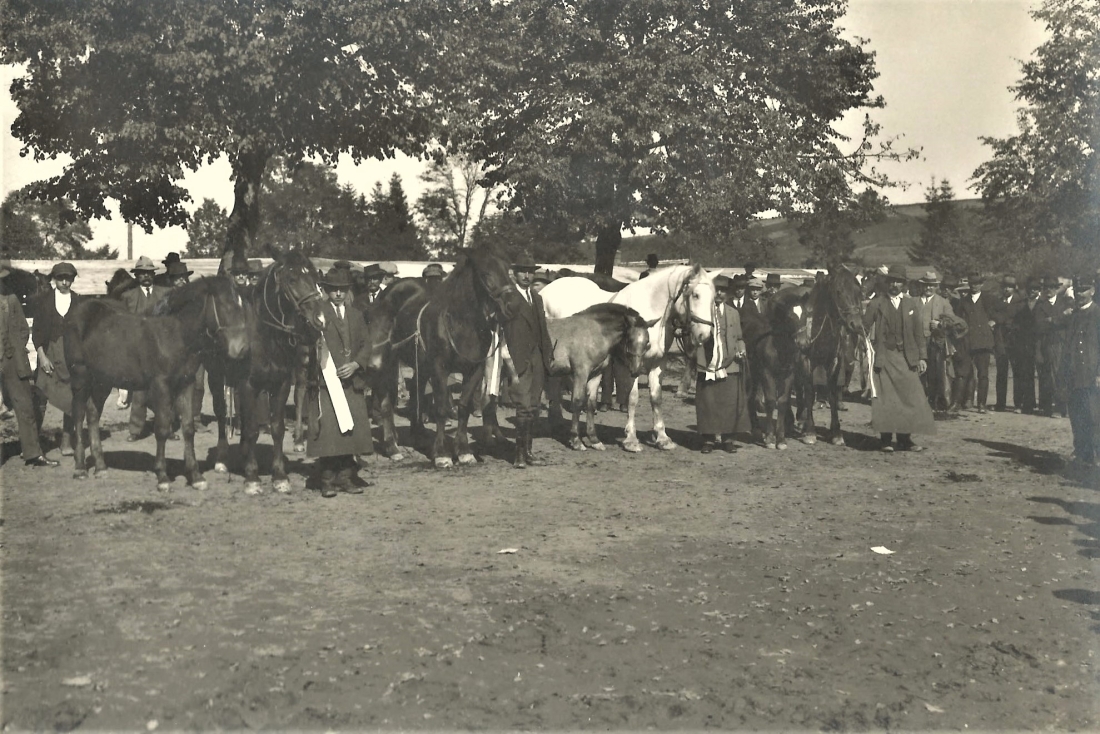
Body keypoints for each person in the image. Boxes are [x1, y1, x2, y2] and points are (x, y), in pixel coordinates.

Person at [307, 266, 375, 497]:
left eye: (342, 290)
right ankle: (326, 479)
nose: (338, 294)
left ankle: (346, 477)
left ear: (348, 291)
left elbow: (367, 344)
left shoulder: (356, 314)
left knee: (350, 432)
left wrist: (356, 364)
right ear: (326, 290)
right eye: (333, 290)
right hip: (328, 382)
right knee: (330, 433)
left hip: (352, 381)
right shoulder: (318, 314)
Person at [862, 264, 935, 452]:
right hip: (884, 357)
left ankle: (905, 439)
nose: (895, 285)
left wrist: (922, 358)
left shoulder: (911, 304)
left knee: (908, 397)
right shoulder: (877, 303)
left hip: (906, 357)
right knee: (886, 399)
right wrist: (869, 350)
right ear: (887, 283)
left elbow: (919, 333)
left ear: (904, 284)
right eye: (892, 281)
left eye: (899, 282)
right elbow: (862, 327)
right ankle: (886, 439)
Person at [0, 260, 58, 467]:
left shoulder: (11, 299)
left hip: (13, 361)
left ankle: (33, 453)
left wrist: (14, 349)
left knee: (25, 406)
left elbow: (24, 329)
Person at [502, 254, 554, 468]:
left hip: (537, 360)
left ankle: (529, 451)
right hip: (518, 359)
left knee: (533, 407)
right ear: (514, 273)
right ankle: (519, 455)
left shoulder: (537, 298)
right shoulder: (508, 297)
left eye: (530, 271)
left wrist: (547, 356)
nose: (527, 275)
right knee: (523, 407)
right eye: (522, 271)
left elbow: (542, 330)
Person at [32, 262, 84, 457]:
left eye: (68, 278)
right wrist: (42, 357)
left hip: (71, 356)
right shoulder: (44, 300)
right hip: (48, 353)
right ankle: (33, 444)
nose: (64, 282)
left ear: (72, 279)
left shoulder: (78, 301)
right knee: (41, 396)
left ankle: (66, 441)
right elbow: (36, 332)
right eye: (61, 278)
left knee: (71, 398)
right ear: (54, 279)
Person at [694, 275, 750, 453]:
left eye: (723, 291)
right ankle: (708, 439)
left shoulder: (733, 313)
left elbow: (739, 337)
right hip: (707, 364)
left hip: (730, 364)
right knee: (708, 402)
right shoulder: (702, 312)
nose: (719, 293)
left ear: (728, 293)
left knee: (729, 403)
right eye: (716, 290)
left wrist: (742, 349)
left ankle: (728, 439)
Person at [120, 256, 171, 441]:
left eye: (149, 273)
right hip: (138, 351)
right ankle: (135, 430)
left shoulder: (166, 293)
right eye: (142, 274)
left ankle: (167, 428)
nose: (146, 277)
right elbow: (124, 325)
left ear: (153, 274)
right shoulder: (128, 297)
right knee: (139, 391)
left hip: (162, 349)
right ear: (137, 276)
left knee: (164, 390)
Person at [1063, 274, 1100, 466]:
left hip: (1092, 374)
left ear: (1092, 291)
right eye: (1077, 291)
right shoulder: (1073, 315)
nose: (1080, 294)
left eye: (1084, 290)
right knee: (1076, 415)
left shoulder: (1097, 314)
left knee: (1094, 416)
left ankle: (1096, 453)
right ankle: (1081, 450)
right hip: (1074, 373)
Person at [915, 270, 960, 412]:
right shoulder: (913, 301)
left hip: (936, 343)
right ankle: (919, 403)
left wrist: (940, 324)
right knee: (918, 373)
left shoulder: (943, 302)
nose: (928, 288)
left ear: (936, 287)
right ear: (921, 286)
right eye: (926, 285)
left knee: (935, 374)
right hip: (917, 342)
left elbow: (953, 321)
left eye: (931, 285)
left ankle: (934, 403)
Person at [955, 271, 996, 413]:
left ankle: (981, 404)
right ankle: (958, 403)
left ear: (981, 284)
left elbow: (1001, 312)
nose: (975, 286)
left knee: (983, 374)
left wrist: (993, 321)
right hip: (967, 341)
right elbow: (958, 319)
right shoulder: (963, 301)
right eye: (972, 283)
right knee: (963, 372)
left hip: (983, 342)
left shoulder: (988, 299)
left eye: (977, 283)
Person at [1035, 275, 1071, 417]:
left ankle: (1064, 406)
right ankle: (1055, 406)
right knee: (1051, 375)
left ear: (1057, 289)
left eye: (1051, 288)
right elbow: (1039, 325)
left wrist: (1053, 319)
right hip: (1049, 344)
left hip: (1063, 343)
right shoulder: (1040, 306)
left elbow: (1069, 319)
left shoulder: (1064, 303)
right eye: (1046, 288)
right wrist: (1059, 318)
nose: (1048, 290)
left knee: (1064, 374)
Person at [991, 275, 1024, 411]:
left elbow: (1014, 318)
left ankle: (1018, 403)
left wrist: (1000, 320)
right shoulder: (996, 301)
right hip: (1001, 342)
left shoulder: (1020, 302)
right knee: (1001, 373)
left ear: (1014, 288)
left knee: (1017, 373)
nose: (1007, 289)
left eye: (1009, 287)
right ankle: (1000, 403)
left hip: (1015, 342)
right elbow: (991, 315)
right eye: (1005, 286)